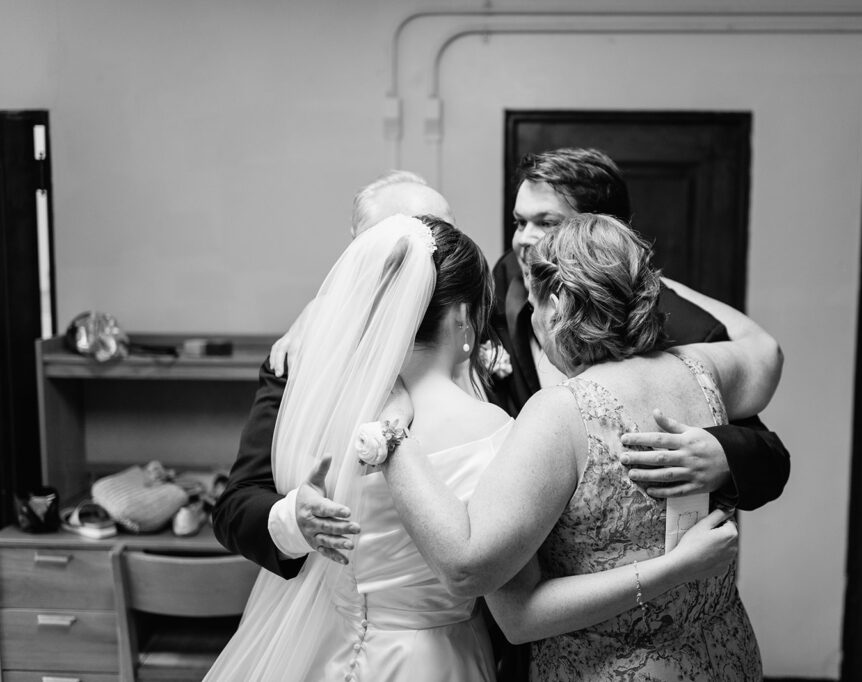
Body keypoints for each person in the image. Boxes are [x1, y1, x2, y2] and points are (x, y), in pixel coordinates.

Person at [206, 214, 747, 681]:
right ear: (465, 318)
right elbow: (763, 357)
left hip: (334, 650)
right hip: (445, 656)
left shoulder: (323, 399)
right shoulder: (693, 373)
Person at [380, 214, 775, 680]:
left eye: (534, 306)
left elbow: (481, 584)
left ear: (558, 305)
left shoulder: (560, 413)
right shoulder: (701, 367)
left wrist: (389, 436)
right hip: (725, 656)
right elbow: (765, 352)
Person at [492, 147, 788, 510]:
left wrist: (725, 457)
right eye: (520, 223)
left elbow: (771, 458)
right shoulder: (503, 287)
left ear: (602, 234)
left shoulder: (671, 322)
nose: (525, 241)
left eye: (548, 224)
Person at [212, 170, 454, 577]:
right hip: (334, 601)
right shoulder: (300, 355)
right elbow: (234, 506)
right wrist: (294, 520)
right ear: (356, 247)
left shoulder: (476, 344)